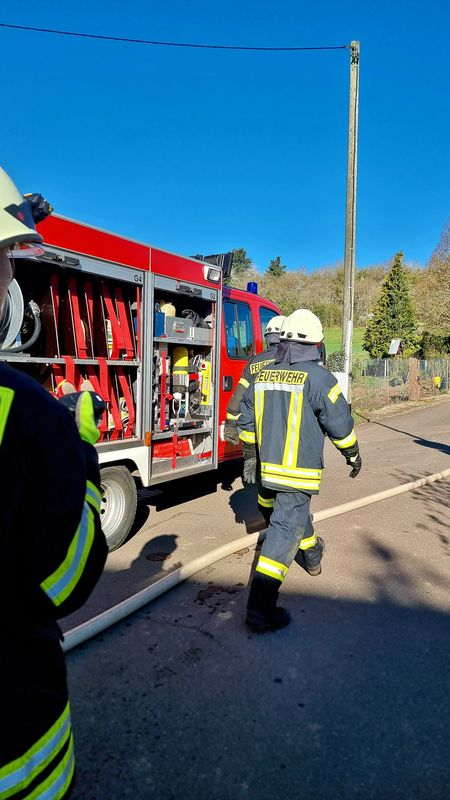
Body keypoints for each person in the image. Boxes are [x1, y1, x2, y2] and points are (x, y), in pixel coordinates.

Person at [0, 167, 107, 798]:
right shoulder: (25, 416)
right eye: (9, 260)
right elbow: (68, 581)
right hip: (19, 752)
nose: (13, 278)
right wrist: (84, 461)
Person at [238, 308, 362, 633]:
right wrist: (352, 454)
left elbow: (245, 418)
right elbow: (339, 424)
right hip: (296, 475)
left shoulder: (262, 374)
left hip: (267, 472)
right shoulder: (320, 378)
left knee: (286, 517)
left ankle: (311, 555)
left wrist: (251, 457)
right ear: (317, 345)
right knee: (282, 532)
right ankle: (259, 610)